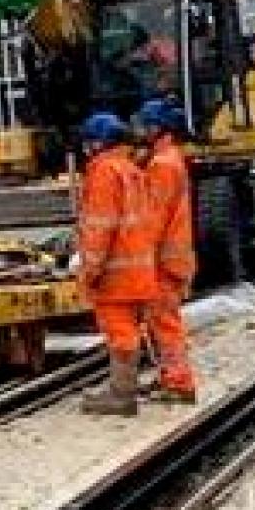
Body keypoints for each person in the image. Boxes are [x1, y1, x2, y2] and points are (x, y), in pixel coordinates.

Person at [76, 111, 160, 415]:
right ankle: (123, 387)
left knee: (120, 332)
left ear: (99, 143)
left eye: (89, 143)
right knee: (130, 330)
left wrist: (90, 269)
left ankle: (122, 395)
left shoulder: (104, 172)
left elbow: (101, 226)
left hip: (115, 273)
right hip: (139, 268)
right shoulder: (133, 170)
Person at [136, 98, 198, 403]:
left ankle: (178, 382)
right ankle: (170, 377)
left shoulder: (161, 165)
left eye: (146, 125)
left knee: (164, 323)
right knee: (162, 321)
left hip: (163, 260)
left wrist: (138, 252)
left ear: (160, 128)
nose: (141, 131)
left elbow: (154, 218)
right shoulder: (172, 159)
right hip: (172, 257)